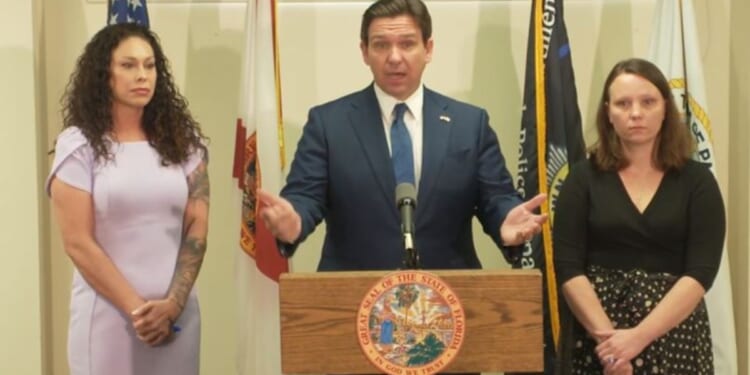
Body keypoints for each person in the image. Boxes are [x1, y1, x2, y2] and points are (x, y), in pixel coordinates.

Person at [259, 0, 545, 274]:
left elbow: (496, 197)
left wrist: (507, 219)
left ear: (428, 49)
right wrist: (293, 221)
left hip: (447, 299)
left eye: (407, 44)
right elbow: (305, 196)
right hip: (355, 299)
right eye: (381, 45)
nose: (394, 57)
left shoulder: (469, 123)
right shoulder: (328, 123)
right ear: (364, 51)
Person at [47, 23, 209, 375]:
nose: (142, 76)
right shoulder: (78, 146)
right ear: (104, 73)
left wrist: (173, 304)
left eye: (150, 66)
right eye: (128, 65)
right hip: (109, 316)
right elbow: (77, 242)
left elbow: (196, 228)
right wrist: (139, 311)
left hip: (176, 315)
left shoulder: (185, 143)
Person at [553, 58, 725, 375]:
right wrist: (613, 350)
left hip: (676, 338)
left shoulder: (697, 181)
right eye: (623, 103)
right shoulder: (581, 179)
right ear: (608, 112)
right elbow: (568, 267)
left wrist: (636, 340)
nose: (635, 113)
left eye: (647, 102)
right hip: (598, 340)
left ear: (665, 108)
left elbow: (701, 272)